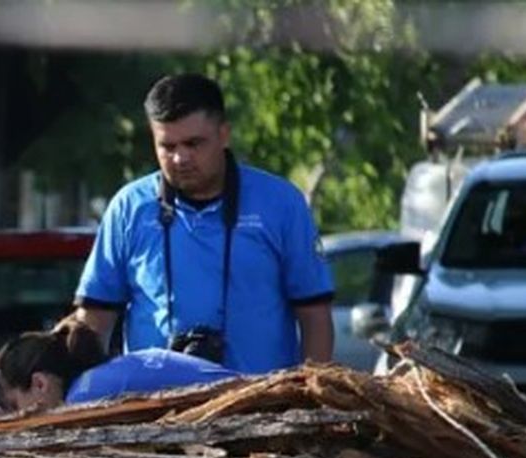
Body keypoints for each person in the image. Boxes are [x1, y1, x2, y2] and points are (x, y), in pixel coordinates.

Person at [64, 73, 334, 373]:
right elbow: (94, 320)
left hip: (261, 407)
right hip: (152, 410)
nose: (180, 158)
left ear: (224, 134)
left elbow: (315, 316)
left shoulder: (280, 203)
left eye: (194, 143)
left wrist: (312, 395)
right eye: (167, 146)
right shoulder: (129, 208)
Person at [0, 322, 237, 413]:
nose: (18, 416)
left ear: (40, 383)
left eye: (16, 405)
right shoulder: (94, 383)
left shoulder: (83, 399)